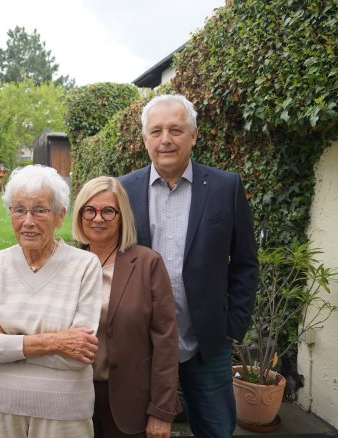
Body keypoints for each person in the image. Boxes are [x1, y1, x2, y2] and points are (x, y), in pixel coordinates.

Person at [119, 94, 259, 438]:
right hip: (141, 340)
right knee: (135, 429)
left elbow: (245, 263)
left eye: (176, 130)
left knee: (214, 429)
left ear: (193, 135)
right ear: (145, 139)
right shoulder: (123, 190)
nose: (165, 139)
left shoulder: (226, 187)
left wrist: (232, 325)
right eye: (156, 131)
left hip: (206, 341)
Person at [0, 164, 102, 438]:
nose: (28, 221)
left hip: (65, 412)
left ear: (60, 215)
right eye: (19, 210)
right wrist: (56, 342)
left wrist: (4, 335)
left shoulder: (85, 266)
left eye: (40, 210)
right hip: (0, 410)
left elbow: (78, 357)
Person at [71, 176, 180, 438]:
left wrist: (161, 411)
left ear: (122, 216)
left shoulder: (147, 264)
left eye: (108, 211)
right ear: (79, 214)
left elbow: (166, 342)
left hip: (129, 400)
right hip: (72, 395)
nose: (98, 218)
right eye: (90, 210)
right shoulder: (66, 262)